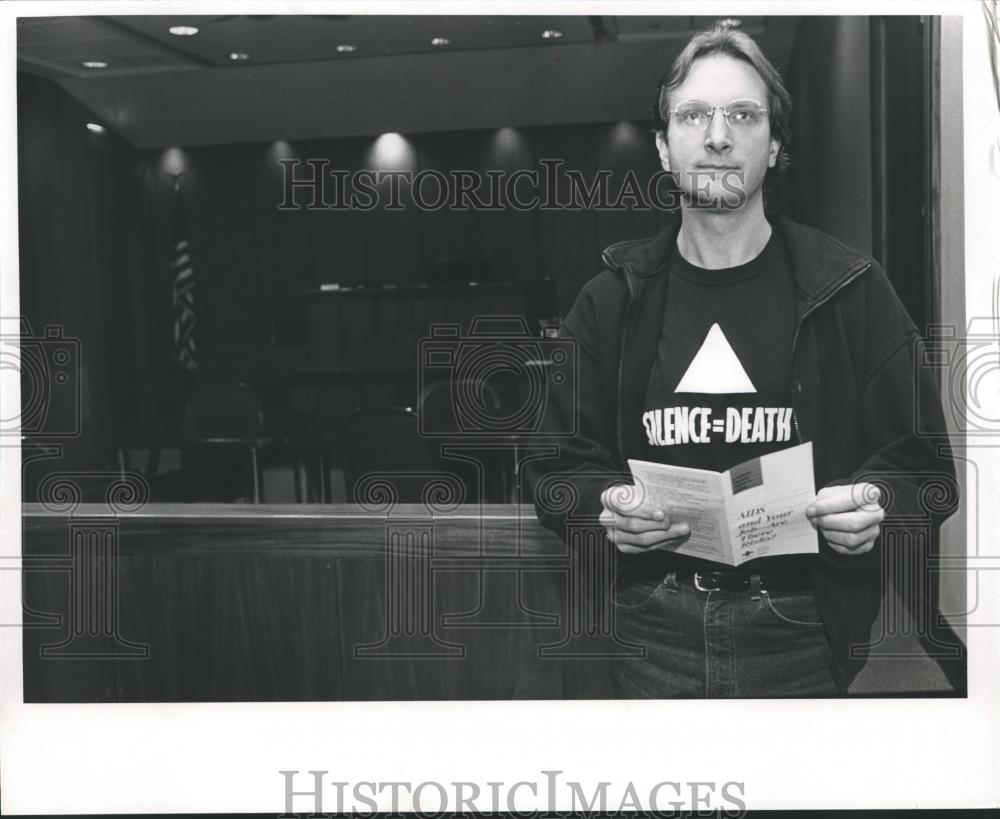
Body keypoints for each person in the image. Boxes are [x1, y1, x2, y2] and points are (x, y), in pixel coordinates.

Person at [525, 22, 957, 697]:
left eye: (744, 115)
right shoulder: (610, 300)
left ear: (775, 144)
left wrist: (875, 502)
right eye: (693, 115)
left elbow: (924, 469)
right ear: (665, 148)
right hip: (649, 625)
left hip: (803, 628)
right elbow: (554, 463)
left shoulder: (852, 290)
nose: (718, 135)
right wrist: (604, 503)